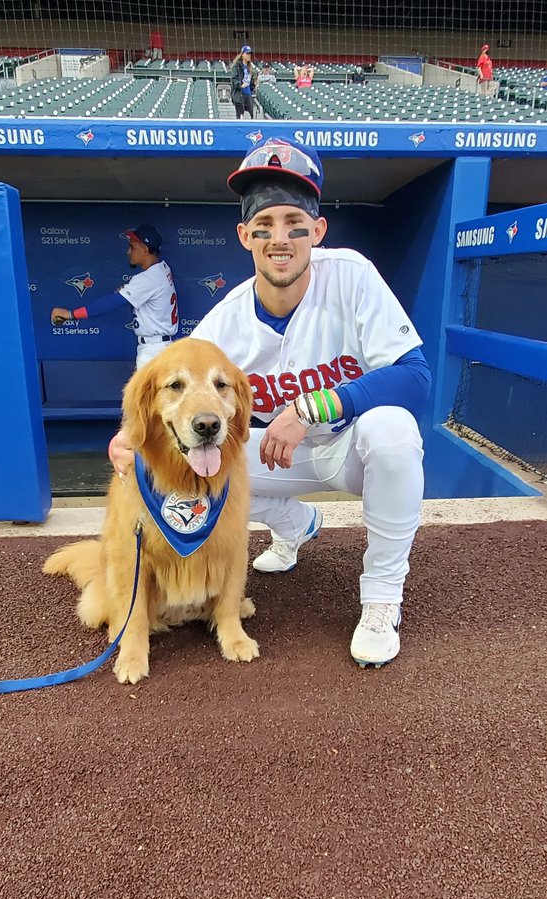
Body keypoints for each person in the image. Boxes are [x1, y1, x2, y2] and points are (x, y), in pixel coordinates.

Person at [109, 139, 431, 669]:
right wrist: (124, 441)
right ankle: (295, 524)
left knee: (394, 431)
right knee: (203, 465)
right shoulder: (226, 321)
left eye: (294, 222)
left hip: (349, 447)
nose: (279, 238)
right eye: (264, 226)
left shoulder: (350, 274)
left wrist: (312, 408)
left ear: (318, 230)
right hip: (286, 456)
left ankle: (380, 599)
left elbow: (416, 379)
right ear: (245, 236)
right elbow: (164, 397)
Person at [51, 223, 179, 369]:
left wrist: (71, 314)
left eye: (132, 247)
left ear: (144, 249)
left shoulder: (148, 278)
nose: (128, 252)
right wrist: (131, 294)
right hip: (162, 347)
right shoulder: (162, 268)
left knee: (144, 392)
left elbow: (111, 303)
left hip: (153, 351)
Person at [230, 46, 258, 119]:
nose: (249, 56)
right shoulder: (237, 67)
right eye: (247, 54)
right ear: (242, 54)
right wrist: (240, 85)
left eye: (250, 54)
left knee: (251, 114)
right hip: (239, 94)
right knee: (240, 115)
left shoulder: (249, 67)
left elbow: (250, 81)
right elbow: (234, 79)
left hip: (248, 93)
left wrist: (253, 85)